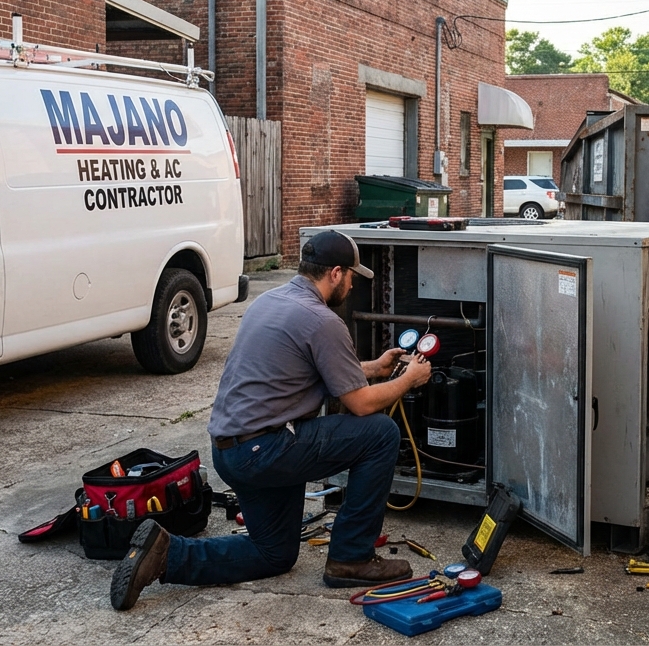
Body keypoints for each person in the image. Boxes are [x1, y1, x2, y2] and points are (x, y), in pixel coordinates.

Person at [110, 230, 433, 610]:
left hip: (233, 450)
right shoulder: (322, 320)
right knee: (380, 433)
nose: (350, 283)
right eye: (350, 275)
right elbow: (361, 405)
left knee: (274, 554)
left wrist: (375, 368)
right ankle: (352, 557)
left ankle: (166, 554)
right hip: (265, 450)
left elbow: (310, 372)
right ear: (334, 273)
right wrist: (407, 379)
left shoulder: (271, 301)